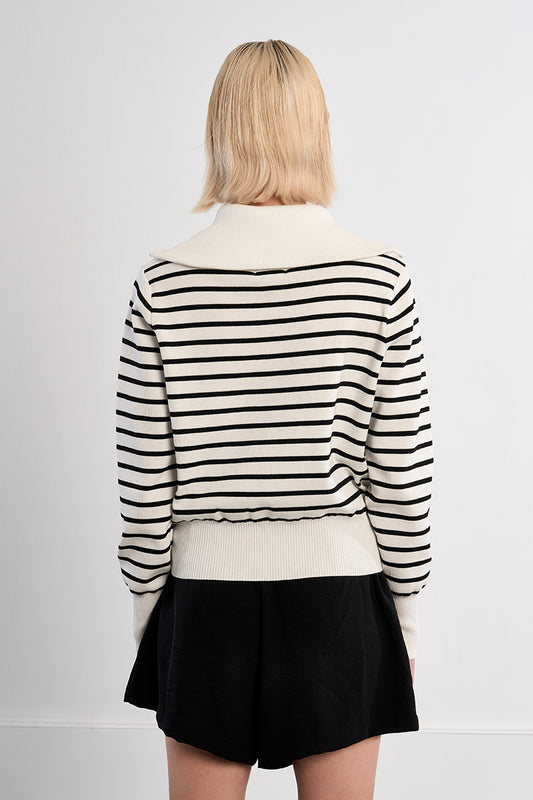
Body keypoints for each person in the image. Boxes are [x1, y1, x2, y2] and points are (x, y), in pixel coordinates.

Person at [115, 39, 433, 800]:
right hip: (339, 601)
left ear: (219, 130)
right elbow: (400, 476)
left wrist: (151, 616)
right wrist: (405, 621)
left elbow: (144, 481)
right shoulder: (378, 276)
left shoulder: (164, 282)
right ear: (317, 130)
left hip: (204, 603)